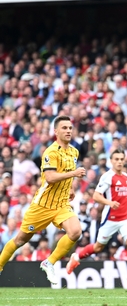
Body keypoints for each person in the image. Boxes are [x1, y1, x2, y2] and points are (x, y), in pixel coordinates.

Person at [0, 116, 85, 284]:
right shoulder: (51, 152)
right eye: (64, 128)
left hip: (61, 204)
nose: (68, 131)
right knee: (20, 240)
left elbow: (66, 173)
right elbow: (51, 177)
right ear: (55, 131)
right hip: (42, 205)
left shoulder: (74, 152)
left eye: (70, 127)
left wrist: (71, 187)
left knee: (75, 232)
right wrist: (74, 175)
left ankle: (49, 262)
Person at [66, 149, 127, 288]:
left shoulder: (126, 177)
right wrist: (110, 203)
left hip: (125, 218)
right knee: (98, 247)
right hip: (110, 218)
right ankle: (76, 257)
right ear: (111, 161)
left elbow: (123, 196)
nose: (119, 162)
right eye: (116, 159)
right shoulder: (107, 177)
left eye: (122, 159)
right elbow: (96, 196)